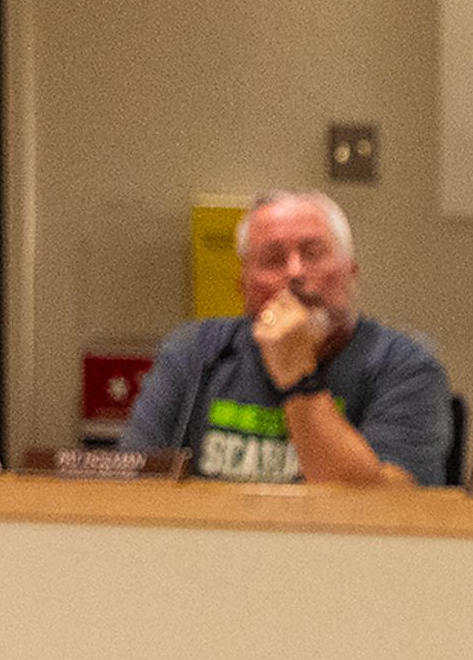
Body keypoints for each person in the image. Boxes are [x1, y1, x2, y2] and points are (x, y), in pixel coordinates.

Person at [118, 192, 450, 486]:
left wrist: (297, 376)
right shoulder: (193, 351)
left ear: (351, 273)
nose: (295, 272)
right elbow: (131, 481)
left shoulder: (407, 366)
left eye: (313, 253)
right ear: (243, 286)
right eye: (274, 259)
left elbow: (385, 507)